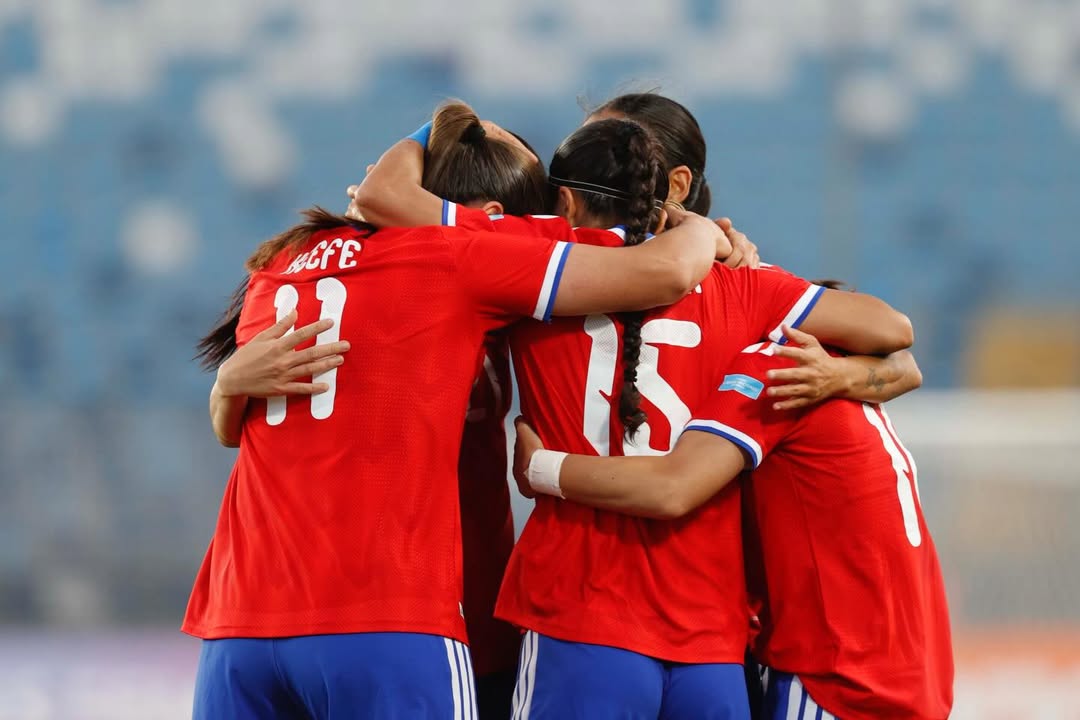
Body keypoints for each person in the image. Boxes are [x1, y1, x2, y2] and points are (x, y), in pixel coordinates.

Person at [352, 113, 919, 718]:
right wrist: (837, 367)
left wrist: (439, 125)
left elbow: (387, 202)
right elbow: (892, 330)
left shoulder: (537, 255)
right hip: (709, 643)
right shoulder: (743, 288)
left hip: (578, 619)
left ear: (564, 202)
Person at [184, 100, 729, 719]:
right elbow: (662, 270)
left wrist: (224, 387)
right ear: (495, 218)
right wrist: (705, 230)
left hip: (241, 618)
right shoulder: (461, 259)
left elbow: (240, 428)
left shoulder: (282, 263)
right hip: (391, 612)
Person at [512, 330, 953, 720]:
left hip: (841, 677)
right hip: (916, 671)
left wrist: (541, 468)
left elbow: (673, 488)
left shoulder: (778, 364)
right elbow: (906, 361)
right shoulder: (840, 374)